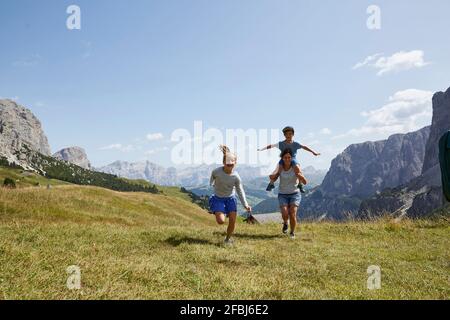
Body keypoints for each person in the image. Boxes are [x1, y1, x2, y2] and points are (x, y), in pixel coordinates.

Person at [209, 145, 252, 245]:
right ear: (223, 162)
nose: (229, 165)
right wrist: (212, 183)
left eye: (232, 164)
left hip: (230, 199)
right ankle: (217, 210)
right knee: (221, 221)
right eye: (227, 164)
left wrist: (245, 204)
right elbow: (212, 179)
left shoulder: (236, 177)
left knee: (232, 221)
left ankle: (227, 240)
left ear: (235, 163)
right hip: (218, 198)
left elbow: (240, 190)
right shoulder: (216, 172)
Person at [258, 126, 320, 193]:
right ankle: (271, 183)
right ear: (284, 135)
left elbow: (304, 147)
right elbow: (271, 146)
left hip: (293, 159)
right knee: (278, 171)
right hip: (283, 159)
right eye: (286, 134)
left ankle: (300, 184)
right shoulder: (281, 144)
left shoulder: (295, 144)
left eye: (290, 134)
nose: (288, 135)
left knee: (298, 170)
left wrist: (313, 152)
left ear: (293, 134)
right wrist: (262, 149)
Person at [277, 148, 302, 239]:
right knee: (284, 213)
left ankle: (292, 232)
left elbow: (304, 181)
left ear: (291, 158)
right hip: (282, 194)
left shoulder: (295, 167)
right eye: (285, 157)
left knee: (292, 213)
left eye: (289, 157)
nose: (287, 159)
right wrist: (271, 179)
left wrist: (301, 177)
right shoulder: (280, 167)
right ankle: (285, 223)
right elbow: (275, 176)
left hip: (295, 193)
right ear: (282, 158)